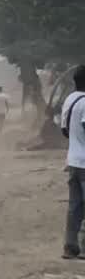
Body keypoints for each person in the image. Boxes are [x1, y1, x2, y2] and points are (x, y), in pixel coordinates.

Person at [57, 67, 85, 259]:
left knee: (74, 205)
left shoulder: (70, 99)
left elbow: (65, 131)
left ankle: (70, 247)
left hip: (73, 160)